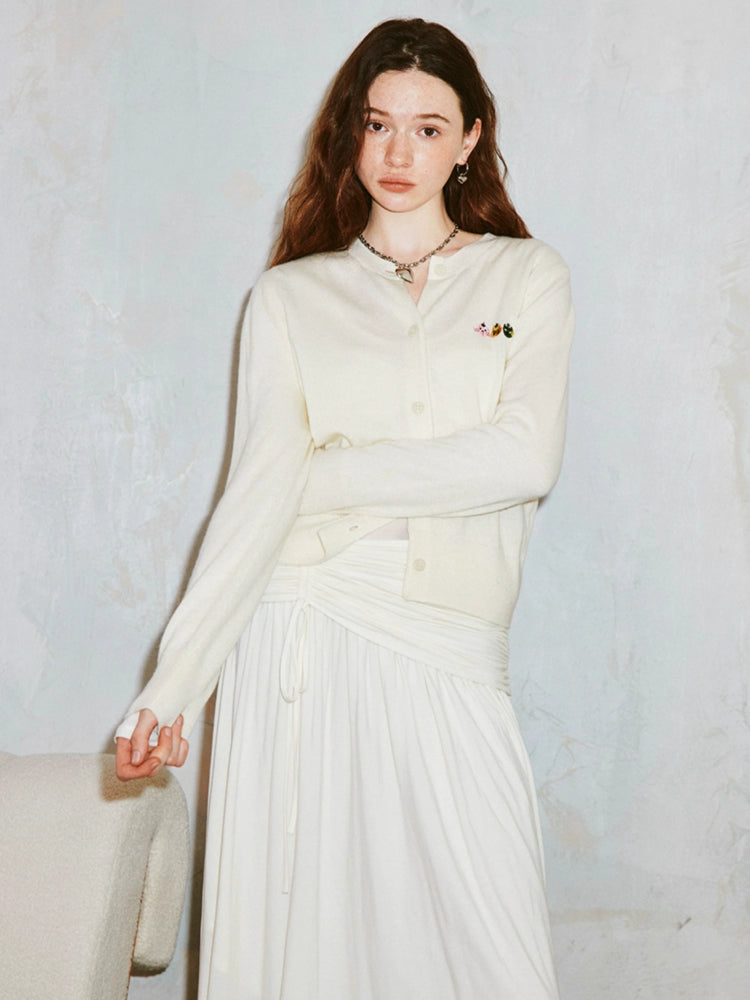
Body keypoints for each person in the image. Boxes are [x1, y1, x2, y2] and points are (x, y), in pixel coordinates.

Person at [115, 17, 573, 1000]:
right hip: (301, 637)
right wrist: (171, 687)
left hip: (450, 638)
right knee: (310, 948)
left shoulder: (526, 276)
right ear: (351, 134)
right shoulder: (290, 299)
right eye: (377, 124)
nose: (398, 153)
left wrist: (326, 473)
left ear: (471, 137)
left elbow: (525, 456)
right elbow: (254, 503)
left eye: (427, 127)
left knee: (493, 956)